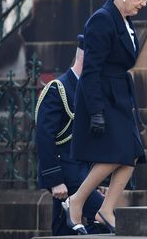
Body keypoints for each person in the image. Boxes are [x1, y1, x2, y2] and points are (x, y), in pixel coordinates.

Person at [63, 0, 147, 234]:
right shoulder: (102, 19)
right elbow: (91, 70)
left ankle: (105, 210)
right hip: (103, 96)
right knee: (118, 154)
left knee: (132, 155)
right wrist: (96, 111)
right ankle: (77, 200)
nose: (143, 3)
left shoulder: (125, 21)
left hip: (120, 95)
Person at [35, 35, 106, 235]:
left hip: (81, 173)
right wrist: (54, 180)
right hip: (64, 171)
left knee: (63, 227)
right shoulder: (58, 88)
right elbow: (44, 136)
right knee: (104, 216)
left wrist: (98, 180)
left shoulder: (89, 90)